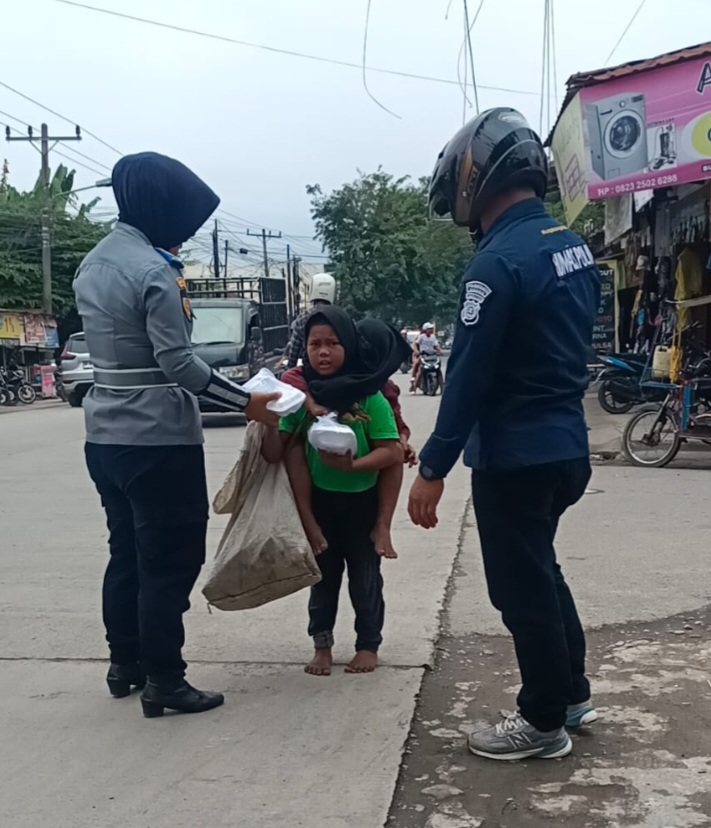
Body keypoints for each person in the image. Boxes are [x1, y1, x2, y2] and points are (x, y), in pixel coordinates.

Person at [408, 108, 600, 761]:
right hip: (566, 448)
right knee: (540, 572)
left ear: (472, 182)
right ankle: (570, 692)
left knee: (518, 589)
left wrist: (431, 468)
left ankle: (543, 720)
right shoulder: (570, 246)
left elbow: (465, 379)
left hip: (516, 457)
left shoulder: (496, 264)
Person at [74, 151, 280, 719]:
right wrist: (249, 404)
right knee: (169, 560)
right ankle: (167, 678)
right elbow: (180, 366)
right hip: (159, 440)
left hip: (105, 438)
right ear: (160, 208)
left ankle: (127, 664)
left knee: (127, 553)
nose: (187, 234)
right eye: (185, 222)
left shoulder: (92, 264)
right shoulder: (152, 271)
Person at [262, 306, 402, 676]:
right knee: (322, 582)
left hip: (363, 505)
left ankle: (368, 644)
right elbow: (276, 452)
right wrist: (269, 415)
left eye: (333, 343)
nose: (323, 352)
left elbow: (392, 451)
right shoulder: (301, 396)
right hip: (319, 505)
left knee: (365, 580)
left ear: (350, 345)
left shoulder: (370, 397)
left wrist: (354, 466)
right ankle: (321, 647)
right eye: (315, 344)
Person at [280, 312, 416, 559]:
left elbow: (397, 424)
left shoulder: (379, 389)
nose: (369, 361)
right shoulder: (306, 381)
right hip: (319, 489)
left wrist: (403, 443)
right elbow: (289, 377)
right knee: (295, 449)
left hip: (363, 490)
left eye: (334, 344)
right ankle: (310, 525)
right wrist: (308, 403)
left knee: (393, 455)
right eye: (316, 344)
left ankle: (383, 526)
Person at [286, 273, 336, 367]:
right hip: (338, 371)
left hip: (310, 372)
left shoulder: (302, 318)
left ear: (312, 291)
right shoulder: (340, 317)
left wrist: (290, 368)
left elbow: (294, 352)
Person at [410, 322, 443, 393]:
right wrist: (416, 351)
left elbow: (436, 346)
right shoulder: (421, 336)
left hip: (432, 356)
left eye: (431, 329)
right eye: (429, 329)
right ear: (425, 329)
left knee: (438, 371)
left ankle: (442, 388)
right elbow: (415, 345)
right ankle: (414, 388)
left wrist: (440, 351)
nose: (431, 330)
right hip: (423, 356)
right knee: (419, 370)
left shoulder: (433, 337)